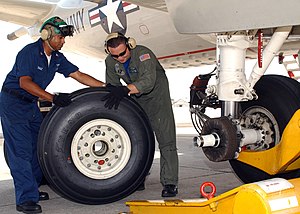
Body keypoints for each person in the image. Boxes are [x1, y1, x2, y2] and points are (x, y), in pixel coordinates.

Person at [0, 16, 105, 213]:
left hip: (30, 105)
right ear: (46, 35)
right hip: (13, 103)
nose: (63, 41)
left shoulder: (56, 58)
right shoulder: (29, 52)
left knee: (40, 147)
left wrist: (107, 87)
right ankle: (25, 199)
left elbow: (78, 75)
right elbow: (25, 83)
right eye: (60, 37)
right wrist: (53, 98)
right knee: (21, 151)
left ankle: (32, 188)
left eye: (64, 38)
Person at [102, 32, 179, 197]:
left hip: (157, 97)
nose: (120, 58)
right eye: (115, 55)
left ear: (130, 45)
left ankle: (170, 182)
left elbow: (148, 82)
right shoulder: (110, 61)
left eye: (122, 53)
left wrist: (124, 90)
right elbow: (113, 84)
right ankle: (138, 178)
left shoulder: (143, 54)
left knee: (166, 140)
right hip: (136, 97)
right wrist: (114, 93)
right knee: (138, 140)